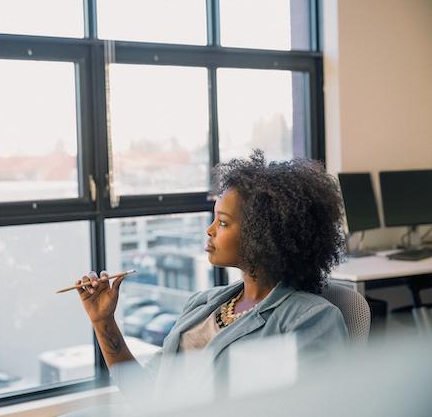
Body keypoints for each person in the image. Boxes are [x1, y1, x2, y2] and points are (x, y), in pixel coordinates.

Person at [75, 150, 349, 393]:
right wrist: (103, 322)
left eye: (223, 222)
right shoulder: (201, 305)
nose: (209, 230)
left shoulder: (309, 319)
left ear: (264, 234)